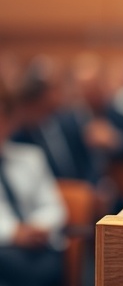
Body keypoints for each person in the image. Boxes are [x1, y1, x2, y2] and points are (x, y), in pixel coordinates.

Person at [0, 85, 67, 286]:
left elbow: (54, 206)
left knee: (47, 268)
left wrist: (37, 228)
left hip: (38, 243)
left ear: (11, 121)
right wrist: (14, 233)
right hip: (5, 245)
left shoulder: (31, 157)